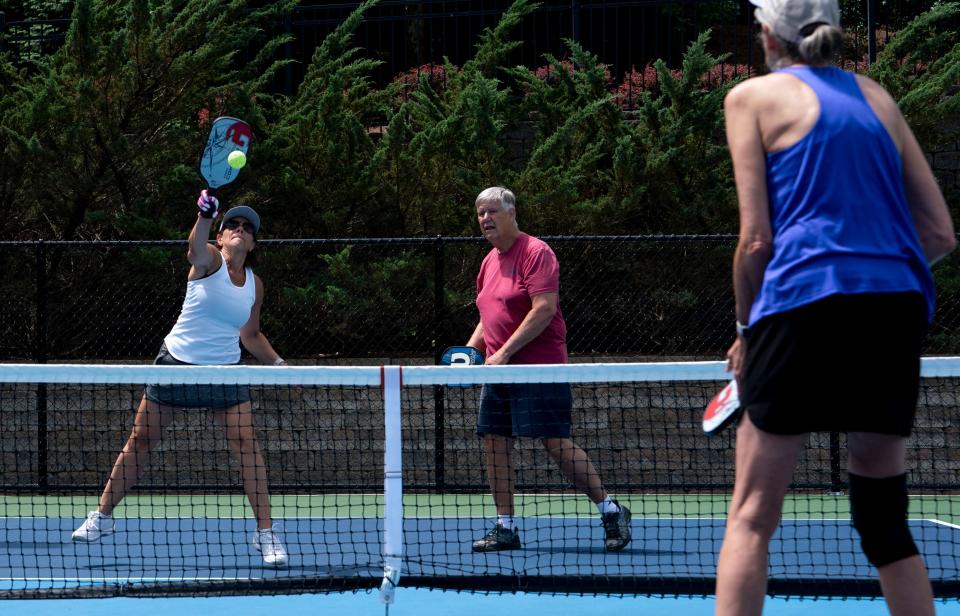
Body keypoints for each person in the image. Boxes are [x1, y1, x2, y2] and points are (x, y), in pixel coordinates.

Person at [716, 1, 956, 614]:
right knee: (884, 523)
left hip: (800, 306)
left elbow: (756, 242)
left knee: (751, 518)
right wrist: (870, 281)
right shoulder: (876, 96)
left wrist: (748, 330)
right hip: (893, 309)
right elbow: (938, 234)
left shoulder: (750, 98)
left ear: (767, 34)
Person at [71, 190, 290, 568]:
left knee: (247, 446)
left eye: (247, 228)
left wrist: (280, 365)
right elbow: (193, 251)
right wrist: (204, 214)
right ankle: (102, 517)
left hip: (224, 371)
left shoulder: (255, 284)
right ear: (220, 237)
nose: (239, 229)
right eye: (232, 225)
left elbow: (250, 335)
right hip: (176, 361)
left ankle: (265, 533)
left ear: (253, 243)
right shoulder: (208, 261)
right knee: (140, 440)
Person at [465, 186, 632, 553]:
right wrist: (469, 353)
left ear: (511, 213)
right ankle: (505, 527)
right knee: (494, 442)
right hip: (499, 372)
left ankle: (610, 510)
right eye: (480, 213)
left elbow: (543, 308)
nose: (485, 219)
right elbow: (487, 315)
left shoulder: (536, 252)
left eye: (492, 211)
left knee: (554, 442)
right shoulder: (489, 261)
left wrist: (505, 352)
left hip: (540, 368)